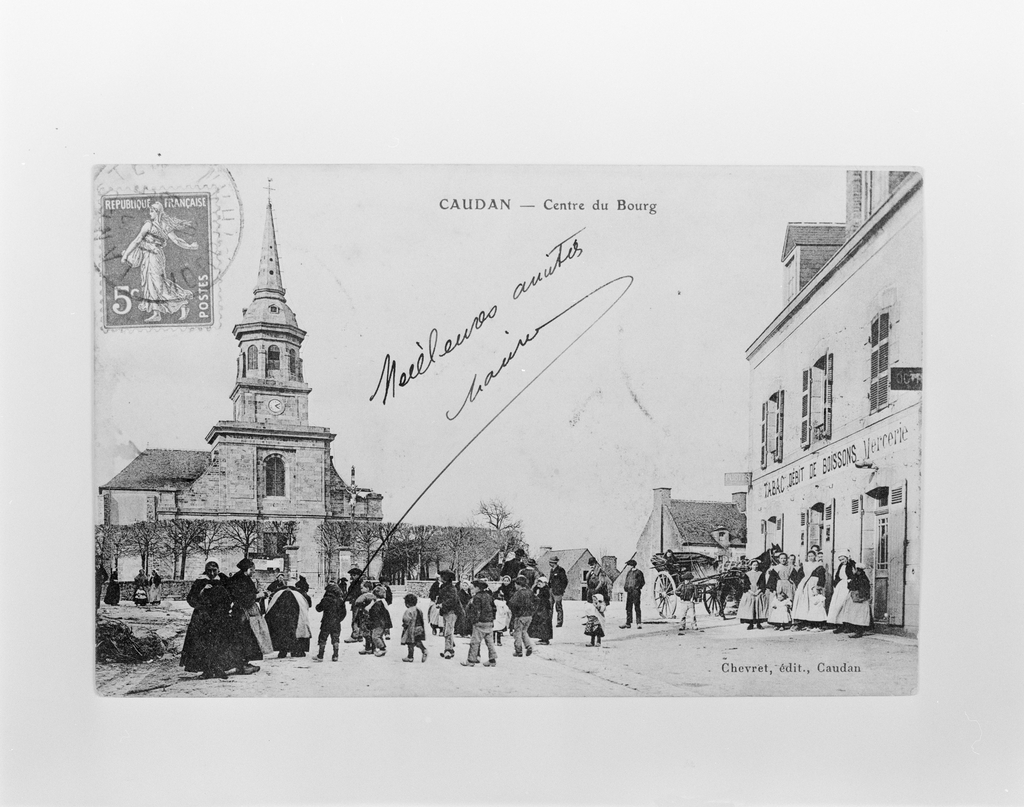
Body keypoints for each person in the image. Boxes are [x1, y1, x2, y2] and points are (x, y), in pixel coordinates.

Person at [121, 201, 197, 322]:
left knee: (159, 284)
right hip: (147, 257)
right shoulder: (149, 225)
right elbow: (137, 241)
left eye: (151, 211)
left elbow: (176, 240)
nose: (149, 213)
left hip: (156, 257)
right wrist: (126, 254)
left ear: (157, 212)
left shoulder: (159, 226)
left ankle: (182, 304)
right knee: (149, 284)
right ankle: (156, 313)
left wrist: (189, 246)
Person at [180, 561, 244, 680]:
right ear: (206, 570)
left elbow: (233, 594)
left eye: (214, 570)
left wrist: (229, 605)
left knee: (221, 643)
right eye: (209, 570)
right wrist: (202, 591)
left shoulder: (224, 580)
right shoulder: (200, 581)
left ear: (218, 569)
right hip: (204, 618)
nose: (212, 573)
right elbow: (191, 599)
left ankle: (220, 668)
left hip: (221, 617)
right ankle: (207, 670)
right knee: (205, 644)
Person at [227, 558, 271, 668]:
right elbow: (243, 598)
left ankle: (244, 663)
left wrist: (260, 593)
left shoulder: (243, 578)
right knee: (244, 637)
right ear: (247, 569)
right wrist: (258, 595)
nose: (254, 572)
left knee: (247, 637)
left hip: (245, 612)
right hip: (242, 613)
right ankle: (242, 665)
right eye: (253, 569)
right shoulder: (240, 580)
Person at [265, 576, 313, 657]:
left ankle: (282, 650)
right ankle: (296, 650)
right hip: (296, 611)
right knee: (297, 628)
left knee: (282, 629)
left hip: (280, 612)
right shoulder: (301, 594)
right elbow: (309, 604)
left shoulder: (278, 593)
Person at [462, 580, 498, 667]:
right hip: (489, 622)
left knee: (475, 642)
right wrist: (492, 619)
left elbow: (476, 611)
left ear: (477, 588)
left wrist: (474, 620)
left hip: (480, 623)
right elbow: (494, 608)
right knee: (490, 642)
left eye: (473, 587)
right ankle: (492, 660)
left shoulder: (476, 598)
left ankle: (471, 660)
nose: (472, 589)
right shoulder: (489, 596)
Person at [791, 551, 828, 630]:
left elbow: (822, 577)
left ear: (815, 556)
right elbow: (799, 576)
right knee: (804, 603)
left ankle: (814, 623)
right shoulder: (804, 565)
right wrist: (799, 585)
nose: (811, 557)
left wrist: (819, 586)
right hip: (805, 585)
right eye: (809, 556)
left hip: (814, 584)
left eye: (812, 556)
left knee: (813, 603)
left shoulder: (819, 566)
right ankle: (803, 622)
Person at [836, 563, 872, 638]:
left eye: (853, 569)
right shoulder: (858, 576)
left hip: (858, 598)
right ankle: (854, 629)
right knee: (854, 613)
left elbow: (861, 587)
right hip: (855, 597)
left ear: (857, 569)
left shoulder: (860, 577)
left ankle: (859, 631)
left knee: (859, 614)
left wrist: (851, 584)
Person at [314, 582, 347, 662]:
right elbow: (344, 613)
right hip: (336, 623)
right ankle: (335, 655)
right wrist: (339, 619)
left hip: (326, 622)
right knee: (335, 638)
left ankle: (320, 655)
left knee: (322, 638)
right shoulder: (340, 600)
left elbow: (318, 609)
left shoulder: (326, 599)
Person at [508, 576, 538, 657]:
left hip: (520, 616)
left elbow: (512, 603)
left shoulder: (518, 593)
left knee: (517, 632)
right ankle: (528, 646)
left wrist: (515, 612)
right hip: (529, 616)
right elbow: (537, 601)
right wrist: (532, 611)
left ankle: (518, 650)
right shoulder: (530, 592)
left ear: (518, 584)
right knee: (524, 631)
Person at [436, 570, 462, 660]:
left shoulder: (451, 589)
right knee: (446, 631)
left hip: (452, 612)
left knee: (448, 631)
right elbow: (440, 598)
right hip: (446, 612)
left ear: (446, 578)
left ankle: (448, 650)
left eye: (441, 576)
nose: (439, 577)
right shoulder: (443, 587)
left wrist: (442, 604)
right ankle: (450, 646)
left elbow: (452, 600)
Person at [359, 586, 392, 657]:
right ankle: (374, 648)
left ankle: (382, 648)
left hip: (378, 623)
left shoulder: (378, 603)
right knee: (375, 635)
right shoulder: (382, 602)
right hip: (380, 623)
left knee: (375, 636)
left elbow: (371, 611)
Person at [737, 559, 770, 630]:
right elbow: (746, 584)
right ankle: (750, 624)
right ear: (751, 566)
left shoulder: (761, 573)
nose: (755, 566)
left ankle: (759, 624)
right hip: (750, 592)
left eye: (756, 565)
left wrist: (758, 591)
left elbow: (763, 584)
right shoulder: (747, 574)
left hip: (758, 592)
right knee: (750, 607)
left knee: (759, 607)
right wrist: (751, 592)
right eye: (754, 565)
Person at [826, 551, 856, 628]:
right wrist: (836, 584)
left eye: (843, 559)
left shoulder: (851, 565)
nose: (842, 561)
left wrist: (851, 582)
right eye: (840, 560)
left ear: (847, 558)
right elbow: (837, 576)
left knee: (845, 603)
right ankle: (838, 623)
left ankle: (847, 624)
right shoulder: (840, 566)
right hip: (841, 586)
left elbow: (853, 575)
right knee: (837, 604)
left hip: (848, 585)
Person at [401, 593, 428, 662]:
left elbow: (406, 620)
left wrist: (404, 626)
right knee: (417, 641)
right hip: (419, 628)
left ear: (407, 603)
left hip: (411, 629)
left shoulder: (409, 611)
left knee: (410, 643)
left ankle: (410, 656)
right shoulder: (419, 609)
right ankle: (424, 650)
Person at [620, 559, 646, 629]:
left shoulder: (639, 572)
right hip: (629, 592)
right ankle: (628, 623)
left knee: (637, 607)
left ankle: (639, 623)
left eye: (628, 565)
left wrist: (637, 588)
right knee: (628, 607)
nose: (627, 566)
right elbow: (627, 581)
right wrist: (626, 588)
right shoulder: (629, 573)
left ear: (632, 566)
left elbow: (642, 582)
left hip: (635, 592)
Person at [528, 576, 554, 645]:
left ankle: (545, 639)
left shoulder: (546, 590)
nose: (539, 584)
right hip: (541, 609)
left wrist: (537, 596)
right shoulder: (539, 589)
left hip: (544, 610)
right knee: (541, 623)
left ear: (545, 583)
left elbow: (543, 599)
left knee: (544, 624)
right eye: (538, 582)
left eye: (541, 582)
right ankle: (542, 638)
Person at [343, 568, 367, 642]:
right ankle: (360, 635)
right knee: (361, 619)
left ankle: (355, 636)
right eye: (351, 575)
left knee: (355, 620)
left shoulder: (356, 584)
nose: (352, 577)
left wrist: (345, 598)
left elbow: (352, 594)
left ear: (358, 575)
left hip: (357, 604)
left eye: (353, 575)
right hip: (362, 604)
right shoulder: (362, 583)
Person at [547, 555, 569, 627]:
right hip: (551, 591)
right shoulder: (551, 570)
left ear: (554, 563)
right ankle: (549, 621)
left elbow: (565, 581)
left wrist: (561, 590)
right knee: (550, 607)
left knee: (558, 607)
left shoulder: (560, 570)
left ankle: (559, 622)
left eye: (551, 562)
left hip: (558, 592)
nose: (549, 563)